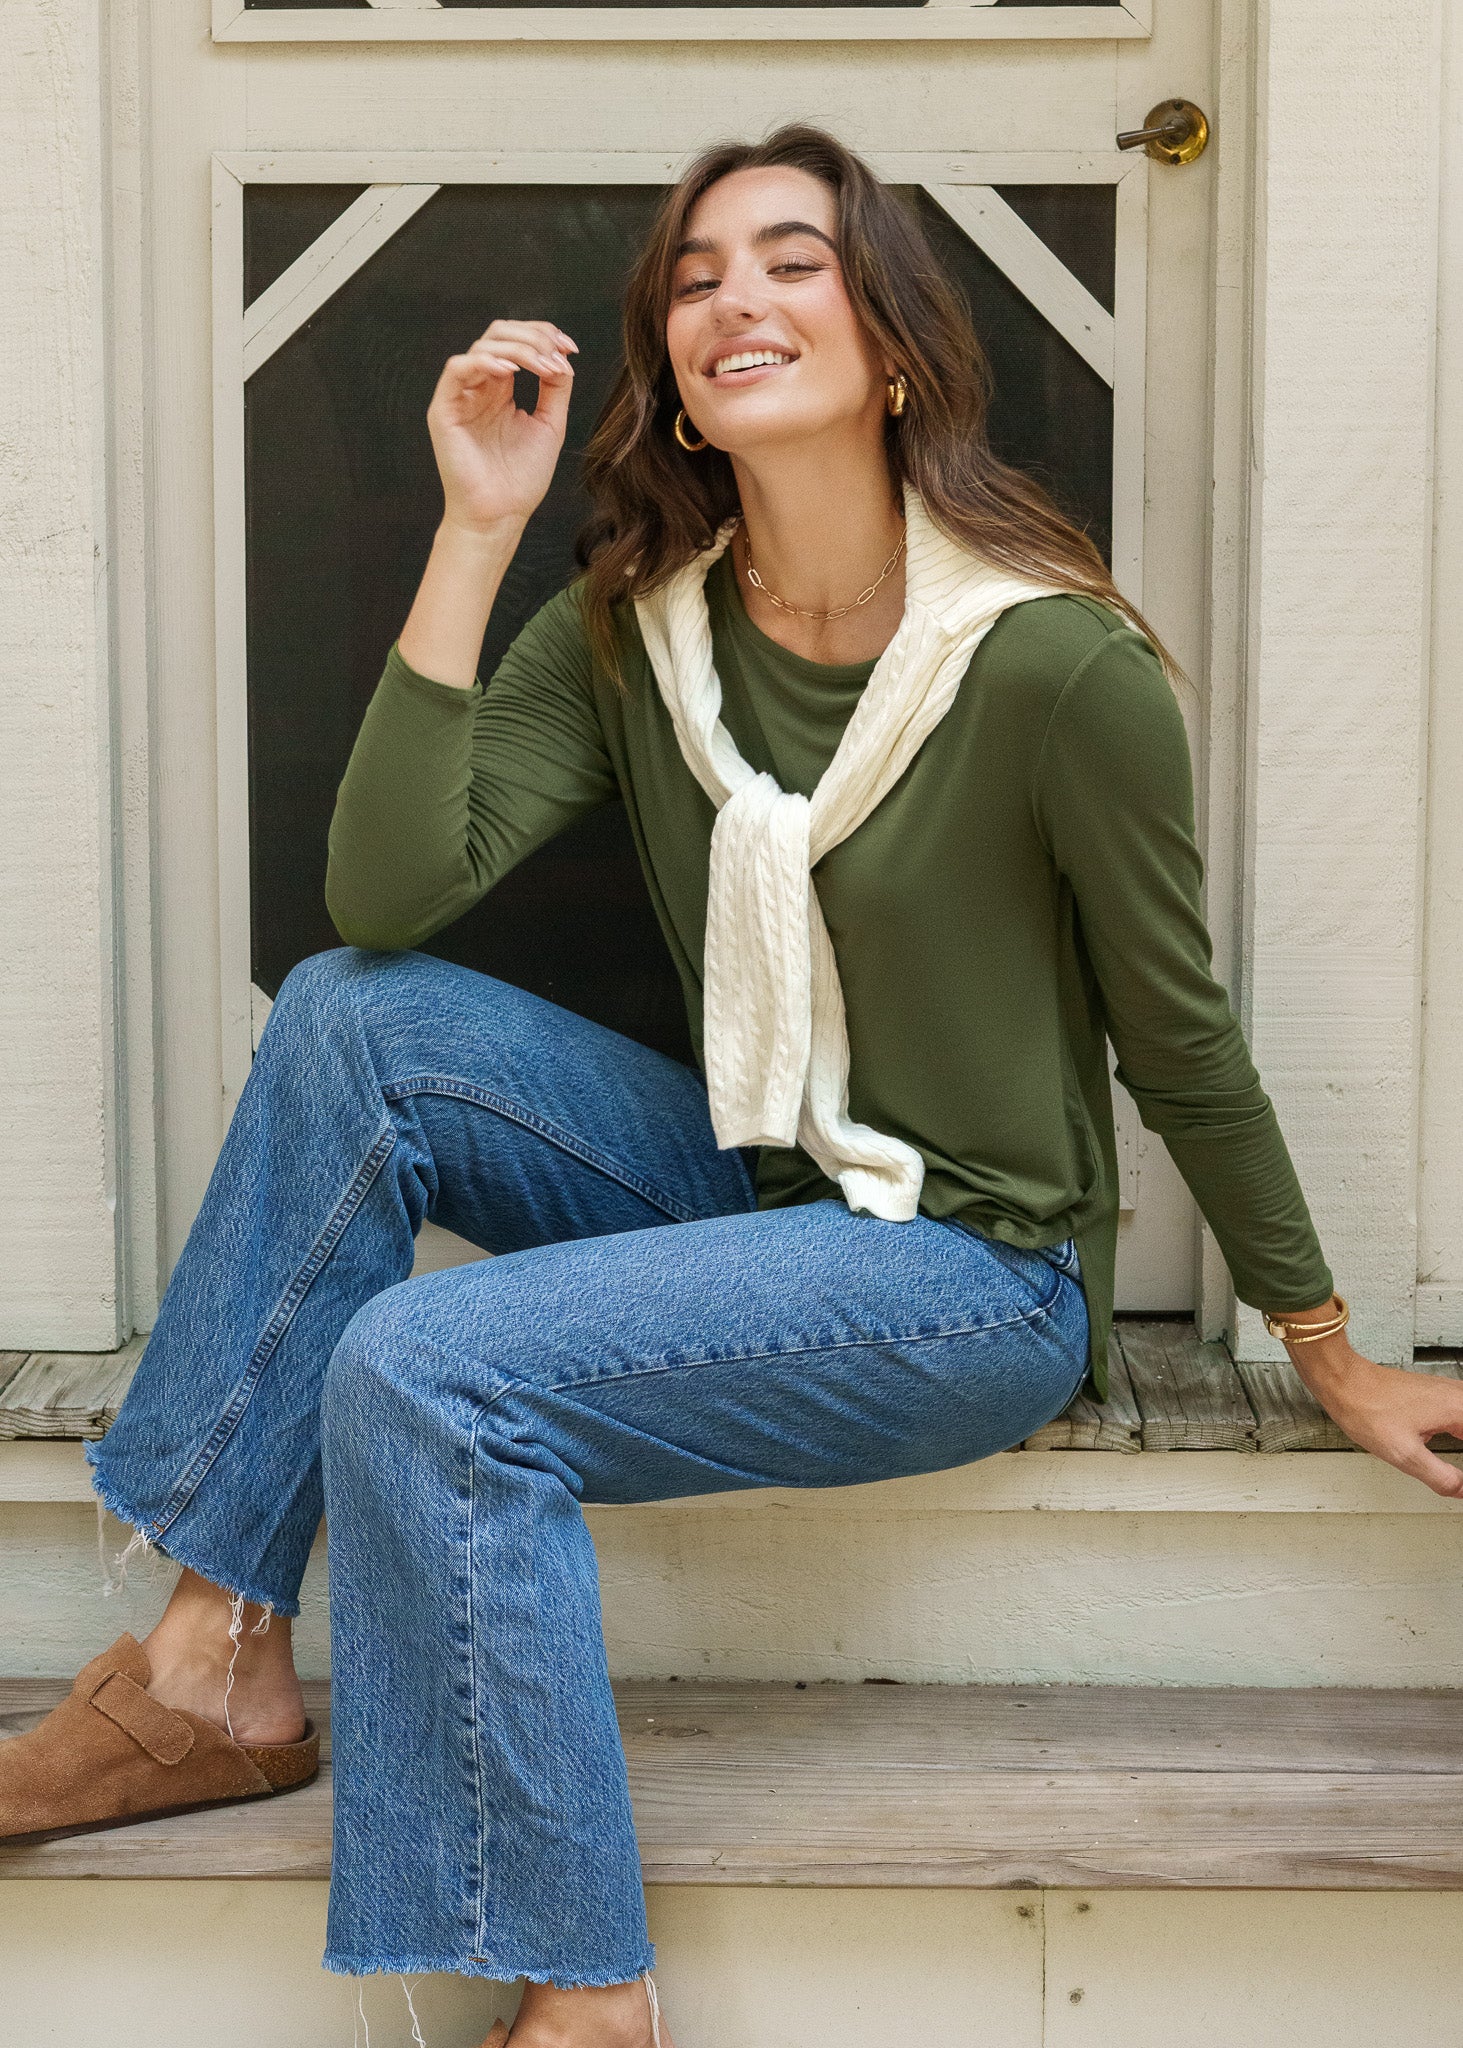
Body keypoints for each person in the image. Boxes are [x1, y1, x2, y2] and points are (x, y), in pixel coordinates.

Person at [6, 122, 1463, 2048]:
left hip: (963, 1273)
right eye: (694, 277)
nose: (733, 301)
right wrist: (475, 525)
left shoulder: (1049, 667)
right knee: (357, 1018)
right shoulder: (637, 627)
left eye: (792, 258)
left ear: (900, 340)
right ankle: (216, 1663)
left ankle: (588, 2000)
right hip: (751, 1189)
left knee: (433, 1374)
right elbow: (379, 894)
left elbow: (1176, 1027)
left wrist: (1328, 1339)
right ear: (671, 363)